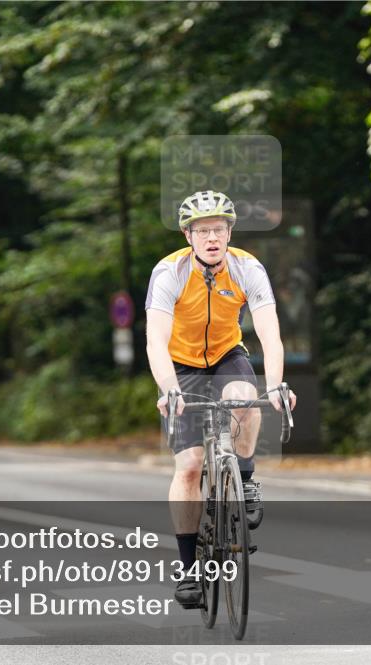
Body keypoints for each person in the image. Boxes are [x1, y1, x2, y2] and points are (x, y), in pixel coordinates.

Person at [145, 190, 297, 608]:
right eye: (203, 230)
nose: (212, 237)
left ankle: (244, 481)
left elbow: (269, 332)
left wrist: (277, 385)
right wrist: (168, 390)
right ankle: (189, 568)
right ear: (188, 235)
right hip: (181, 366)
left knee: (245, 399)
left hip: (228, 355)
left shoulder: (247, 268)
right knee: (190, 465)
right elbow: (155, 339)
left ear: (229, 233)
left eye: (219, 229)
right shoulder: (169, 272)